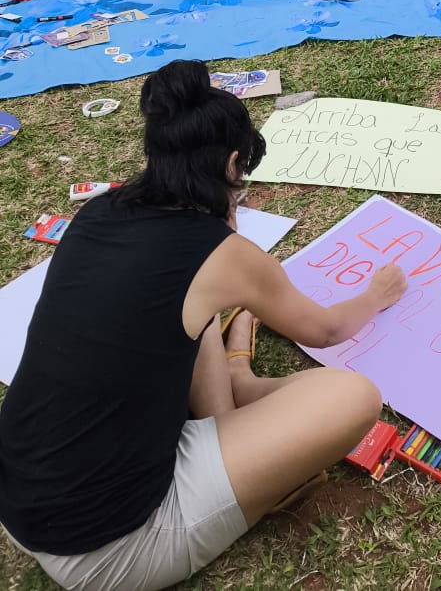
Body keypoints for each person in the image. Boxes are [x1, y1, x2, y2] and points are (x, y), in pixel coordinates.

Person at [0, 59, 407, 591]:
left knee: (194, 313)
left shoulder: (98, 212)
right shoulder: (223, 252)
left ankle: (234, 394)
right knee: (353, 396)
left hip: (22, 499)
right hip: (109, 549)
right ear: (234, 164)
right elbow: (327, 330)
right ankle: (245, 414)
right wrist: (375, 296)